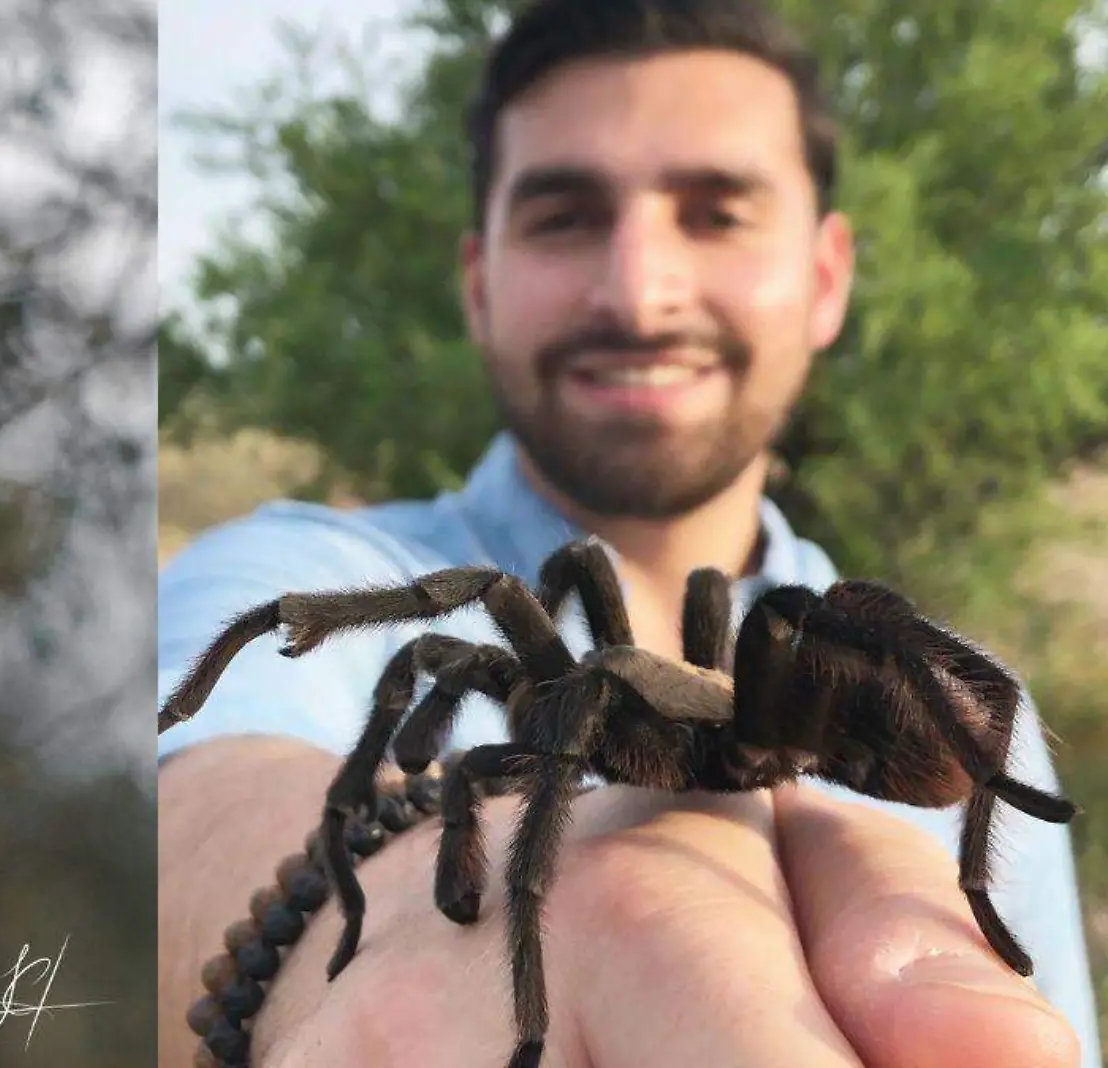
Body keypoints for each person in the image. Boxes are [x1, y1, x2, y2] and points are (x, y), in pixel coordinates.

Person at [155, 0, 1099, 1065]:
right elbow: (199, 797)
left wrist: (973, 880)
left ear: (828, 277)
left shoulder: (974, 717)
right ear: (476, 283)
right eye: (563, 216)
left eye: (716, 213)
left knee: (772, 624)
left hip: (811, 725)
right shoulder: (293, 557)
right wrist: (336, 918)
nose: (638, 289)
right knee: (479, 650)